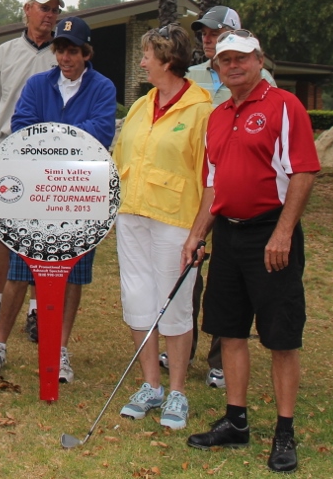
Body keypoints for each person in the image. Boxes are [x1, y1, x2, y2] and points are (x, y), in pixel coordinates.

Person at [182, 30, 320, 474]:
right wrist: (196, 233)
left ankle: (284, 431)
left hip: (270, 233)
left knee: (280, 336)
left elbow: (302, 172)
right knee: (230, 330)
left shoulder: (284, 105)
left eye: (242, 58)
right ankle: (236, 421)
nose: (233, 66)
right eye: (225, 60)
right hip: (228, 234)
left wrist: (283, 232)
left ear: (259, 60)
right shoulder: (219, 115)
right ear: (217, 67)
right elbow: (212, 183)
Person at [0, 15, 116, 385]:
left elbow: (101, 133)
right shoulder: (38, 84)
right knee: (20, 271)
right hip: (37, 189)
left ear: (86, 53)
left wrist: (50, 135)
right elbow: (23, 126)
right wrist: (67, 137)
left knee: (72, 272)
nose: (65, 58)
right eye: (59, 49)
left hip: (80, 192)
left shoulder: (102, 88)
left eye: (72, 51)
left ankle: (60, 348)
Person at [112, 23, 212, 429]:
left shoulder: (202, 108)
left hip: (175, 221)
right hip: (131, 215)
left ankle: (177, 392)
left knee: (174, 302)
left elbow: (211, 178)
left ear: (168, 59)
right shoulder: (141, 104)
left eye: (147, 56)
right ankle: (149, 385)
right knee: (137, 298)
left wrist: (199, 233)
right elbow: (120, 156)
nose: (141, 62)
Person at [175, 5, 275, 388]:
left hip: (238, 189)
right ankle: (184, 343)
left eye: (214, 31)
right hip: (196, 186)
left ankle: (220, 358)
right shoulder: (196, 76)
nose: (207, 38)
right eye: (203, 33)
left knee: (228, 275)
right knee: (191, 267)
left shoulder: (260, 79)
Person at [0, 0, 62, 323]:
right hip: (7, 151)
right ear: (27, 9)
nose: (50, 14)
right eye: (44, 8)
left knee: (44, 231)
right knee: (1, 230)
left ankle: (36, 308)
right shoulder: (5, 52)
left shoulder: (63, 53)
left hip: (49, 155)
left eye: (55, 9)